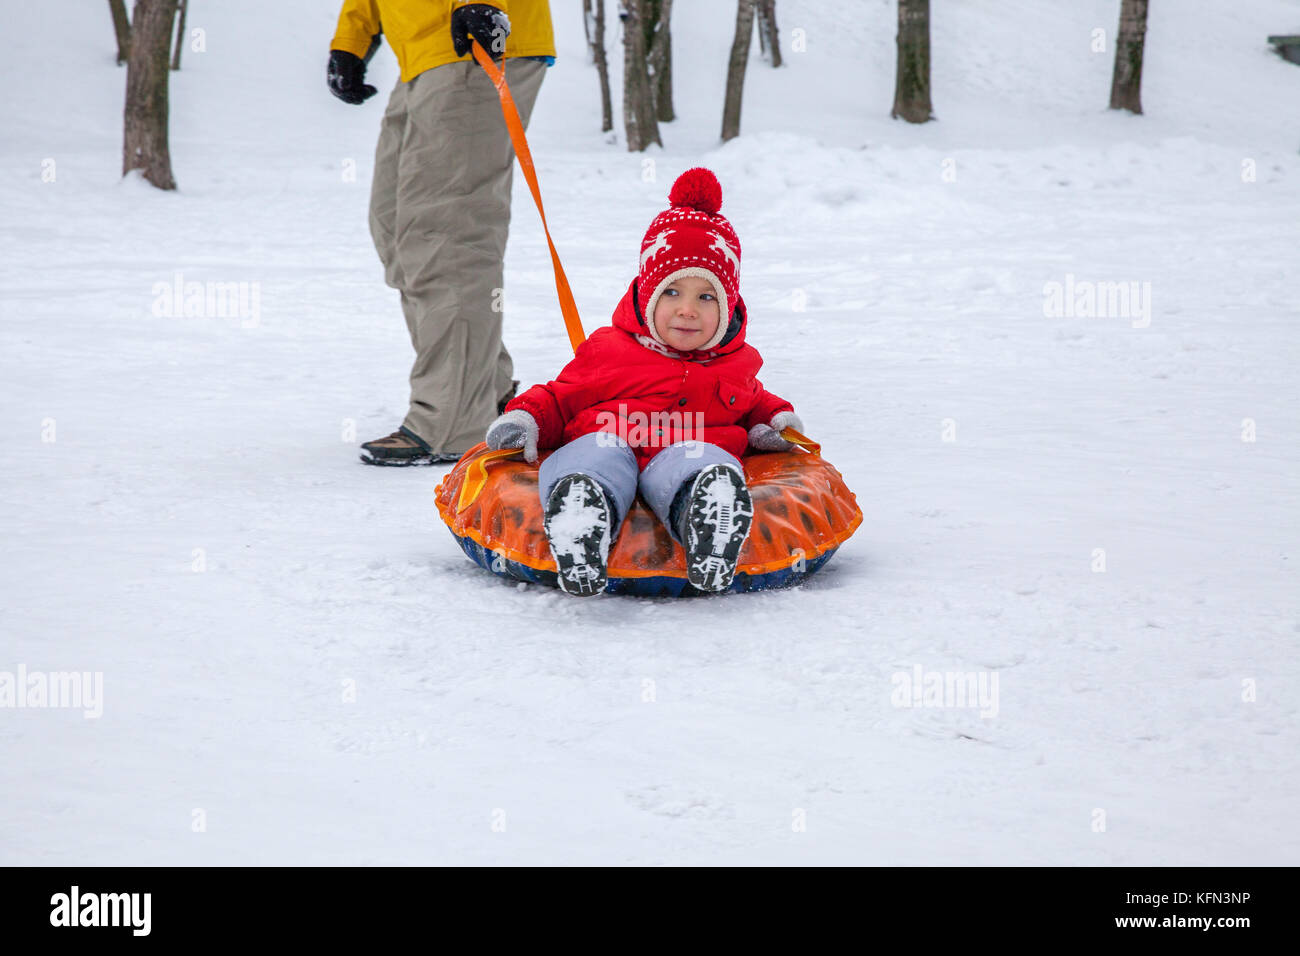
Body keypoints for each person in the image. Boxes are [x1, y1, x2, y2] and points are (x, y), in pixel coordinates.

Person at [483, 168, 805, 596]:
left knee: (701, 459)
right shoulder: (610, 350)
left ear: (728, 307)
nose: (687, 310)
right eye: (672, 292)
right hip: (610, 441)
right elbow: (561, 397)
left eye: (706, 297)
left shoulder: (735, 363)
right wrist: (527, 417)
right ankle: (581, 514)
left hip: (680, 453)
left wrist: (774, 421)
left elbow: (753, 402)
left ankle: (708, 518)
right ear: (647, 294)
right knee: (595, 454)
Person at [326, 1, 556, 465]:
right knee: (396, 226)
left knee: (447, 234)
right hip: (423, 50)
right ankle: (485, 392)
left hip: (470, 41)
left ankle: (453, 419)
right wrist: (352, 39)